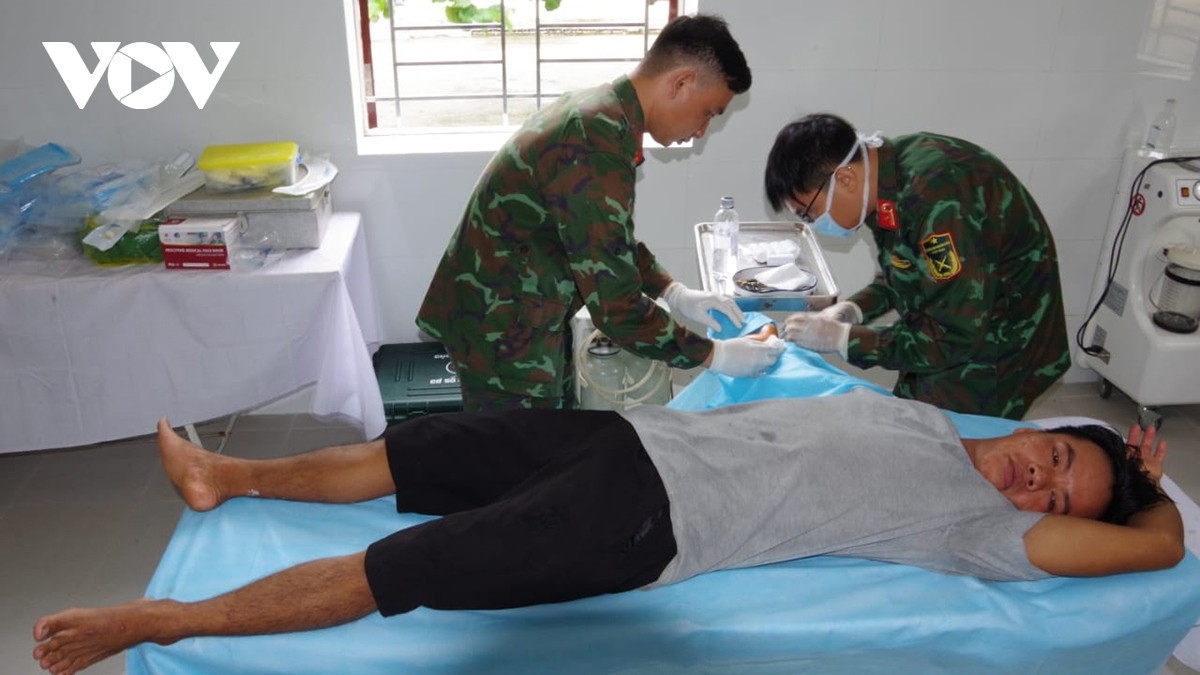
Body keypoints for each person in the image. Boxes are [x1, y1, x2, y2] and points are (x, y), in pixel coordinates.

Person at [34, 392, 1181, 674]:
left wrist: (1141, 489)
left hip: (645, 519)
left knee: (411, 568)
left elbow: (1160, 549)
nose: (1040, 486)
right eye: (1062, 462)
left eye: (1059, 500)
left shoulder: (976, 529)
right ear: (1052, 429)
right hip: (630, 438)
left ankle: (158, 622)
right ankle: (223, 476)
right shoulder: (926, 415)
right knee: (418, 452)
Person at [416, 14, 783, 412]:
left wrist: (673, 291)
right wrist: (715, 355)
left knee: (551, 444)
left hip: (521, 314)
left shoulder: (600, 114)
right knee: (518, 463)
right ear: (681, 83)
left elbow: (606, 243)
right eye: (709, 112)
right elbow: (616, 306)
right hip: (502, 332)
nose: (701, 131)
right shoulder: (594, 142)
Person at [764, 113, 1071, 419]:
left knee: (938, 442)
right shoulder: (884, 178)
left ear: (844, 179)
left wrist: (844, 339)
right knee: (911, 420)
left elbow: (954, 335)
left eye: (809, 213)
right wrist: (852, 310)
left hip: (1000, 343)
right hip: (959, 323)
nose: (815, 224)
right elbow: (905, 270)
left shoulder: (937, 200)